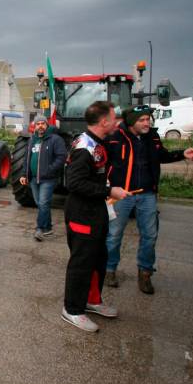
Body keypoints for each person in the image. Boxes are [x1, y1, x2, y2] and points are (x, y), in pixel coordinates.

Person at [104, 105, 193, 293]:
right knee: (114, 234)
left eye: (148, 119)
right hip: (121, 195)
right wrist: (108, 188)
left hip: (147, 194)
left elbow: (161, 155)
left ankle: (145, 273)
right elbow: (103, 163)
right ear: (132, 121)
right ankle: (109, 270)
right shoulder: (115, 138)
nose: (147, 123)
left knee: (150, 235)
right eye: (142, 120)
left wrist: (182, 154)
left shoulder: (153, 137)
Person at [62, 101, 130, 332]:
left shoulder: (98, 142)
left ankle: (91, 300)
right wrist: (109, 191)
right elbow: (74, 183)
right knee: (81, 263)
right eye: (114, 117)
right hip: (82, 214)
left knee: (98, 259)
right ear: (104, 122)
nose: (117, 121)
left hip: (96, 212)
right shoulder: (84, 147)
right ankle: (72, 310)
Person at [19, 115, 67, 241]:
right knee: (40, 204)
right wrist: (24, 174)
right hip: (34, 178)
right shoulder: (32, 140)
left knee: (43, 203)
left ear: (47, 125)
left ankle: (39, 229)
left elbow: (62, 157)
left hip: (48, 179)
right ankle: (48, 228)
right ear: (35, 126)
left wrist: (50, 170)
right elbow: (27, 159)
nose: (40, 126)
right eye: (38, 123)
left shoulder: (55, 140)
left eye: (43, 123)